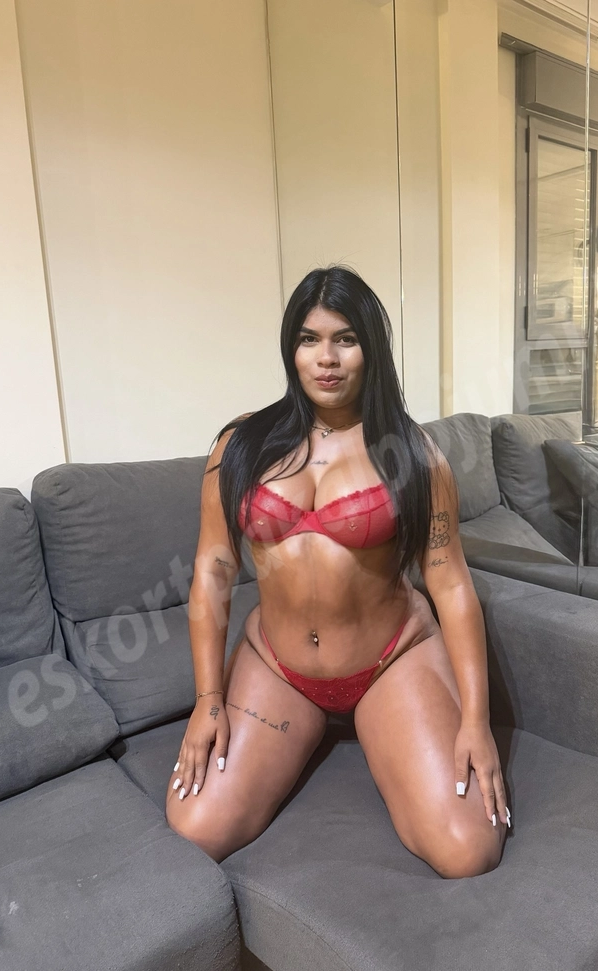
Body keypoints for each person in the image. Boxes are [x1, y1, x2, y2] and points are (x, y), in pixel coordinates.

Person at [165, 265, 509, 878]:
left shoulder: (415, 456)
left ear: (370, 348)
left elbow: (451, 583)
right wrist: (208, 701)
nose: (326, 358)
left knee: (468, 849)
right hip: (278, 666)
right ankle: (306, 728)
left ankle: (361, 726)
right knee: (196, 825)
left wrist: (476, 723)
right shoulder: (240, 446)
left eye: (345, 339)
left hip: (390, 662)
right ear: (291, 349)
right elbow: (213, 570)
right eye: (309, 339)